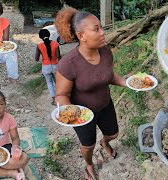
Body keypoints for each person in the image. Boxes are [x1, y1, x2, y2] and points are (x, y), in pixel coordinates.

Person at [54, 7, 127, 180]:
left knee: (113, 134)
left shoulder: (106, 52)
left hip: (104, 105)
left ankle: (105, 142)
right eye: (96, 29)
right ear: (81, 36)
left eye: (101, 27)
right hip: (82, 114)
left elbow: (108, 75)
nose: (103, 33)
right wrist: (70, 111)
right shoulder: (68, 63)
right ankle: (88, 163)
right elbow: (61, 95)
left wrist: (126, 82)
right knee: (88, 146)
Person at [35, 29, 61, 105]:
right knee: (58, 83)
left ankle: (54, 100)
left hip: (46, 67)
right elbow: (58, 56)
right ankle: (60, 97)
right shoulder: (55, 44)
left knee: (49, 83)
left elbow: (36, 59)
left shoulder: (39, 46)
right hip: (55, 65)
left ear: (40, 37)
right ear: (49, 35)